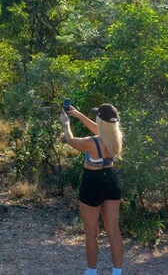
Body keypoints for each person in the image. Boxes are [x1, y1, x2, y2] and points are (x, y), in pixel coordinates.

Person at [59, 103, 124, 275]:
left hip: (92, 184)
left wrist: (66, 124)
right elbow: (101, 130)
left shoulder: (91, 143)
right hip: (111, 182)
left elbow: (71, 141)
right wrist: (78, 114)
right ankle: (117, 272)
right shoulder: (115, 139)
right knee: (113, 231)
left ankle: (91, 272)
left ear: (100, 121)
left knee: (91, 233)